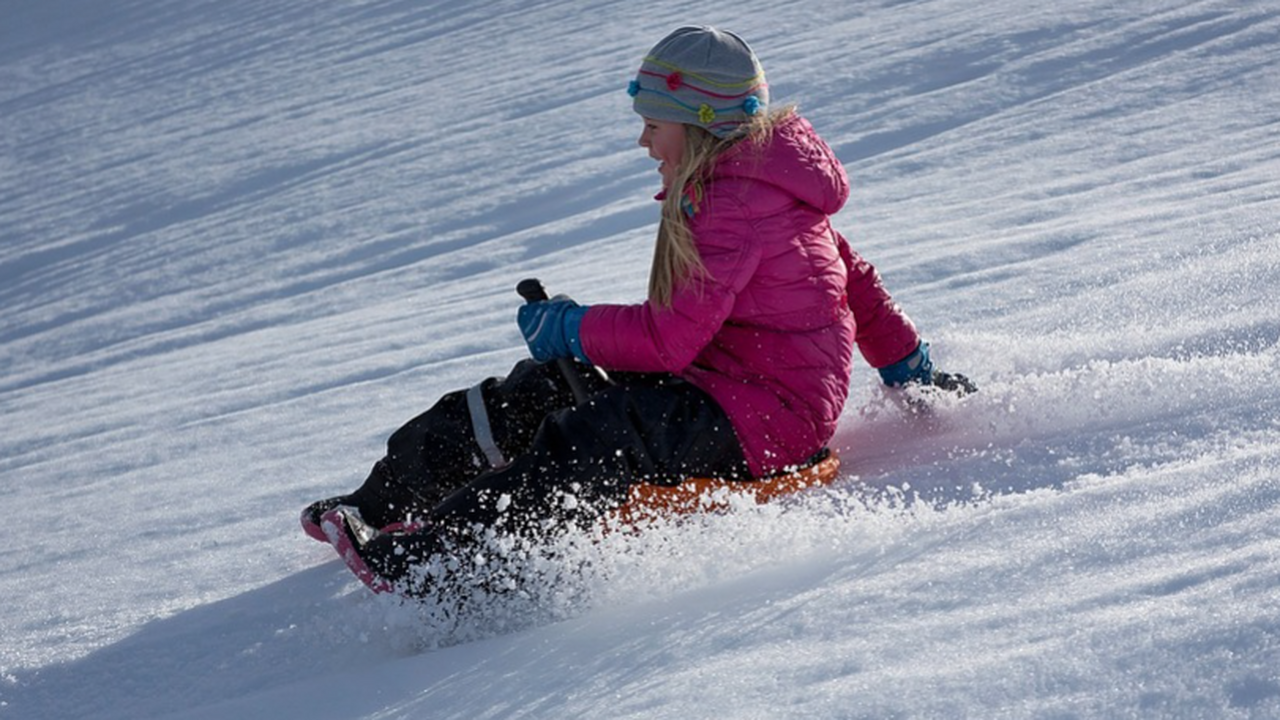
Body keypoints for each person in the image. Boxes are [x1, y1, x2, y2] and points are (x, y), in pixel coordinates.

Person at [301, 25, 972, 596]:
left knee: (600, 431)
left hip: (765, 420)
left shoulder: (736, 206)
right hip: (725, 386)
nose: (644, 144)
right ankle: (381, 504)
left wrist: (570, 327)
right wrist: (909, 367)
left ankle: (447, 561)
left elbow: (668, 342)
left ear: (703, 127)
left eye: (654, 126)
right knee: (539, 390)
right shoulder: (764, 188)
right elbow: (860, 288)